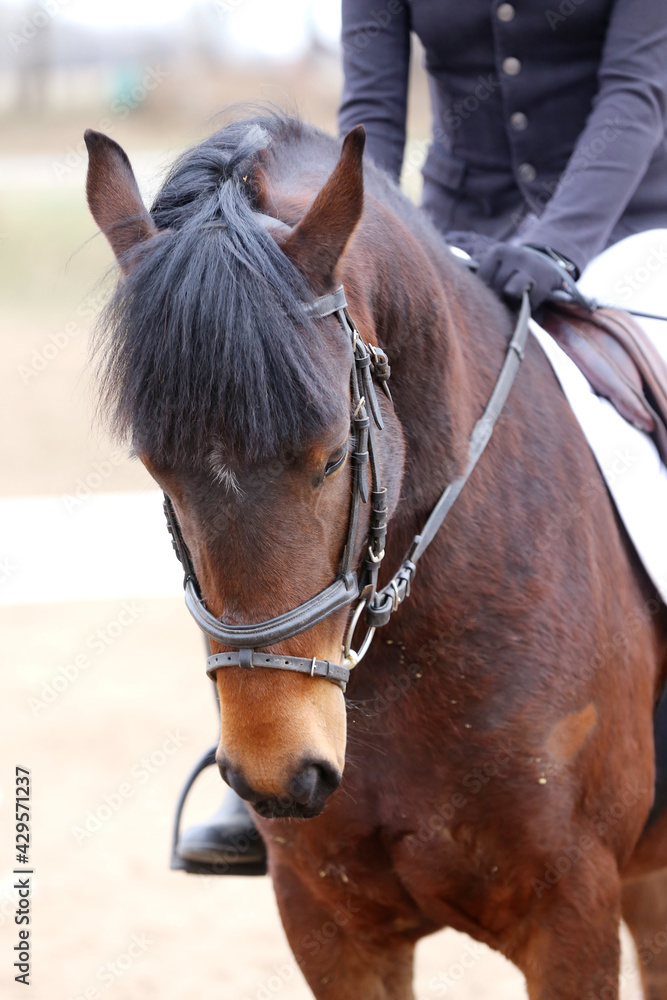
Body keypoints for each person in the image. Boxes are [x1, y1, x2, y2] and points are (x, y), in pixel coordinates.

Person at [175, 0, 667, 873]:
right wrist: (377, 245)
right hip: (448, 233)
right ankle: (274, 741)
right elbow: (368, 117)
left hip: (630, 234)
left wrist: (559, 242)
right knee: (307, 452)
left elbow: (633, 94)